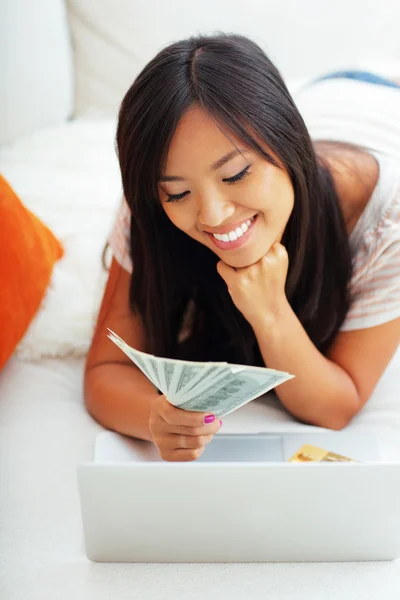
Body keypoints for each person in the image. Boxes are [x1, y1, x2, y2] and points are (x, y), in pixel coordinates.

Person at [84, 33, 400, 461]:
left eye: (234, 175)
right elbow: (106, 370)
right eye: (178, 194)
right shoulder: (155, 198)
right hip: (325, 104)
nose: (212, 215)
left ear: (288, 147)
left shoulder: (387, 217)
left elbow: (336, 406)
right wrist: (156, 416)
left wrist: (268, 311)